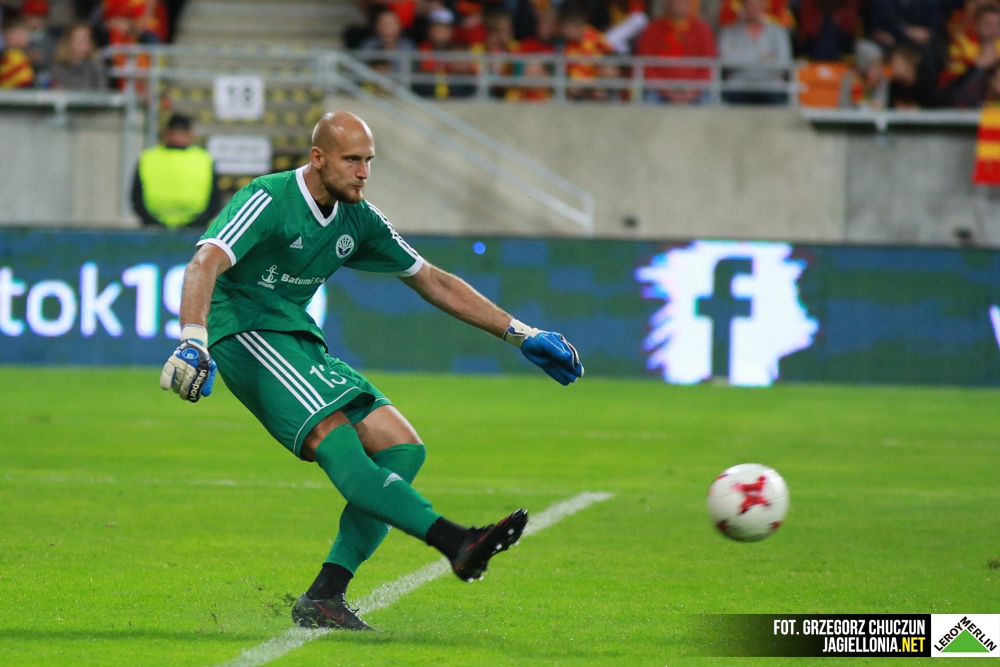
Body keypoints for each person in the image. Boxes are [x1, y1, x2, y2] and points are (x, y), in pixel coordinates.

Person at [159, 110, 584, 631]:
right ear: (318, 158)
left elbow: (432, 280)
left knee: (402, 448)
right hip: (245, 332)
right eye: (352, 160)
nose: (363, 172)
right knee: (338, 442)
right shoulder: (269, 197)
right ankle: (457, 541)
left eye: (369, 161)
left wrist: (520, 333)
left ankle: (325, 596)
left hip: (297, 337)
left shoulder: (358, 217)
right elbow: (205, 261)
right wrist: (193, 340)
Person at [132, 114, 222, 229]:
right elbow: (136, 195)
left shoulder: (204, 159)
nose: (177, 136)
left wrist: (199, 222)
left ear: (190, 134)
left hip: (195, 229)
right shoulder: (148, 158)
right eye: (174, 131)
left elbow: (215, 197)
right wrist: (150, 221)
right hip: (155, 227)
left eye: (181, 132)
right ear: (166, 133)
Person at [636, 0, 717, 104]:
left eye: (684, 3)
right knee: (648, 102)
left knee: (712, 103)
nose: (680, 6)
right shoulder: (652, 29)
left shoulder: (703, 29)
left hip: (696, 90)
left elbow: (709, 64)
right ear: (667, 4)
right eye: (676, 2)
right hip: (659, 91)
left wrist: (693, 90)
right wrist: (666, 90)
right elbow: (646, 65)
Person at [718, 0, 792, 104]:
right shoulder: (729, 32)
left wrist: (740, 57)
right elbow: (726, 61)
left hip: (770, 87)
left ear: (764, 7)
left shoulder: (778, 31)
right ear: (742, 7)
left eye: (757, 5)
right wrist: (763, 57)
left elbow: (784, 63)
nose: (753, 9)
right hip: (738, 86)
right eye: (750, 5)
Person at [50, 21, 107, 90]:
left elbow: (102, 93)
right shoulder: (57, 68)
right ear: (67, 42)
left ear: (91, 43)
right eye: (77, 40)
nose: (81, 44)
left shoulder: (97, 67)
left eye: (85, 40)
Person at [838, 39, 889, 108]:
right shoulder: (850, 78)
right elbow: (843, 104)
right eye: (874, 66)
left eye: (879, 65)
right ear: (864, 67)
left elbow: (881, 102)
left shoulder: (882, 79)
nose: (878, 70)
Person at [0, 17, 34, 89]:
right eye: (21, 33)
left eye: (26, 33)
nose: (26, 37)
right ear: (9, 35)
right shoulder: (7, 58)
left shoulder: (21, 55)